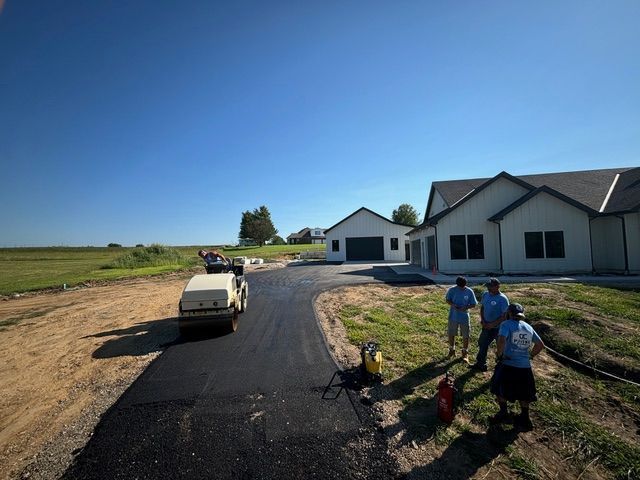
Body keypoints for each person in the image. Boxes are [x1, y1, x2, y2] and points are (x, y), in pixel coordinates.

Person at [489, 303, 545, 430]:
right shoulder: (528, 327)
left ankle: (503, 412)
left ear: (509, 313)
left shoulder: (506, 324)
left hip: (508, 364)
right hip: (525, 367)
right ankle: (525, 417)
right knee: (524, 393)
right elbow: (540, 345)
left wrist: (499, 355)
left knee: (498, 388)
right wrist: (530, 356)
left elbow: (502, 340)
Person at [470, 278, 509, 372]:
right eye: (488, 286)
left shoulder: (503, 299)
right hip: (486, 326)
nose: (488, 289)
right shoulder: (485, 294)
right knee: (482, 343)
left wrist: (492, 324)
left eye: (490, 287)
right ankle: (480, 364)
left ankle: (502, 367)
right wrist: (483, 320)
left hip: (499, 329)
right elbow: (482, 307)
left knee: (502, 347)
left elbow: (505, 316)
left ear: (497, 286)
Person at [445, 276, 478, 362]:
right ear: (457, 285)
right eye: (460, 287)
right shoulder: (452, 290)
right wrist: (453, 305)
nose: (462, 288)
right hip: (453, 316)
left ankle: (465, 352)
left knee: (466, 335)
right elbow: (447, 300)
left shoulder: (469, 291)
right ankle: (451, 350)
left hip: (464, 317)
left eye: (463, 286)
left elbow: (474, 304)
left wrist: (466, 307)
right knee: (451, 333)